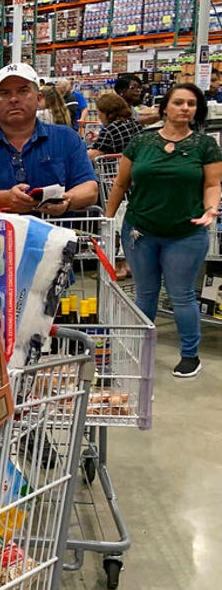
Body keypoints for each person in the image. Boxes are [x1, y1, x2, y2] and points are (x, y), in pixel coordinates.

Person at [105, 83, 222, 378]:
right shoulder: (141, 142)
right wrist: (107, 220)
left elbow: (212, 185)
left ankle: (189, 354)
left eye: (191, 104)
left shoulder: (205, 146)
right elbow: (120, 184)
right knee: (144, 293)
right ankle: (139, 350)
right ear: (165, 107)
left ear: (197, 110)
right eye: (179, 102)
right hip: (139, 230)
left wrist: (211, 208)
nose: (185, 108)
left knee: (181, 294)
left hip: (186, 231)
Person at [0, 63, 98, 215]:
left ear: (38, 98)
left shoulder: (67, 139)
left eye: (23, 91)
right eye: (5, 93)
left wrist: (67, 200)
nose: (13, 99)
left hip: (58, 235)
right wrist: (4, 199)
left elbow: (90, 189)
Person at [91, 92, 142, 159]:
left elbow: (93, 154)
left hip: (115, 167)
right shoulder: (134, 122)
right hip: (135, 164)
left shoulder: (109, 130)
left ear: (107, 113)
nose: (99, 116)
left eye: (99, 112)